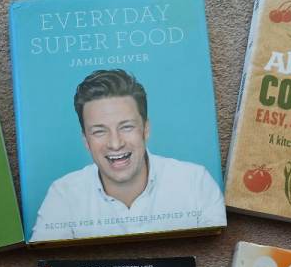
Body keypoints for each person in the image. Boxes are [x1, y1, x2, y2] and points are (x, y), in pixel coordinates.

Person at [30, 69, 226, 242]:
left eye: (126, 127)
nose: (115, 143)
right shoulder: (62, 195)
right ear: (86, 141)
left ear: (146, 129)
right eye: (99, 131)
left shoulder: (196, 183)